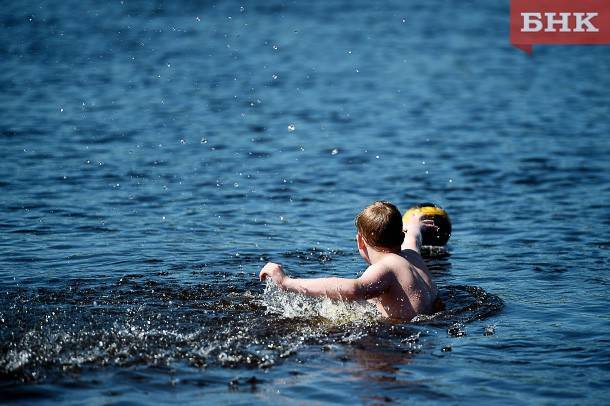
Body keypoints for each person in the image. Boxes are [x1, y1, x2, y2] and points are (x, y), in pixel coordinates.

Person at [259, 201, 440, 321]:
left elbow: (354, 289)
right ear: (401, 235)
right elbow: (414, 238)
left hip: (402, 333)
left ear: (360, 241)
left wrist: (286, 282)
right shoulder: (412, 256)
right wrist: (415, 225)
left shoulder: (385, 268)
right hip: (430, 322)